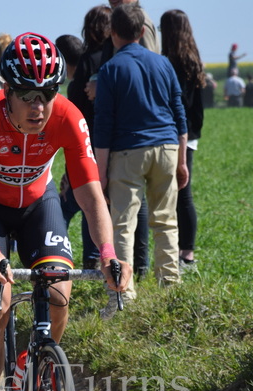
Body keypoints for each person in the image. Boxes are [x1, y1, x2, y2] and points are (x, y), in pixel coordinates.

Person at [0, 32, 130, 391]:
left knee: (57, 292)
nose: (39, 107)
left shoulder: (69, 119)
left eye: (48, 95)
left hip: (38, 204)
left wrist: (109, 252)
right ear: (6, 92)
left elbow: (92, 197)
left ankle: (41, 373)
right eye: (28, 97)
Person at [94, 3, 188, 302]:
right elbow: (179, 113)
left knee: (123, 224)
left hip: (128, 152)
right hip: (167, 148)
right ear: (143, 31)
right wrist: (182, 160)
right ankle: (170, 285)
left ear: (112, 32)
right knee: (166, 220)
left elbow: (104, 123)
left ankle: (123, 293)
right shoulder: (163, 64)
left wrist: (100, 172)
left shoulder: (110, 69)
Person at [70, 2, 154, 276]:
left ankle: (93, 258)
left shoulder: (90, 60)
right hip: (126, 134)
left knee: (92, 200)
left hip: (95, 136)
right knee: (134, 202)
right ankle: (140, 263)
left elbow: (78, 101)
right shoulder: (121, 55)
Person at [160, 9, 205, 271]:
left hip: (177, 132)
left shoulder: (171, 62)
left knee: (181, 194)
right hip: (191, 133)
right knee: (181, 194)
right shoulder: (193, 59)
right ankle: (184, 251)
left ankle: (185, 254)